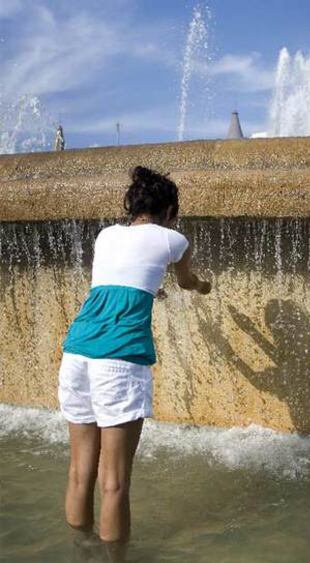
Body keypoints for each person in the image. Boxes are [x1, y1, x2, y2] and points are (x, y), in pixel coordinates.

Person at [58, 166, 211, 558]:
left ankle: (80, 553)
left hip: (77, 352)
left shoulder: (107, 235)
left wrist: (149, 290)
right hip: (119, 359)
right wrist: (202, 285)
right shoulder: (174, 240)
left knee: (80, 475)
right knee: (114, 483)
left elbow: (119, 281)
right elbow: (186, 281)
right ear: (171, 211)